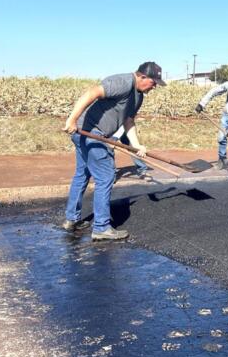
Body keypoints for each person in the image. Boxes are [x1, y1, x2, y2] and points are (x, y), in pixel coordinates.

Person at [61, 62, 165, 240]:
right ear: (142, 77)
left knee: (82, 174)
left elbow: (128, 121)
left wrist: (136, 145)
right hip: (90, 133)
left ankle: (72, 219)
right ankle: (101, 228)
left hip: (90, 134)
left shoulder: (138, 97)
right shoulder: (123, 82)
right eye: (153, 82)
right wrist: (71, 120)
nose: (154, 86)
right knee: (106, 176)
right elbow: (92, 93)